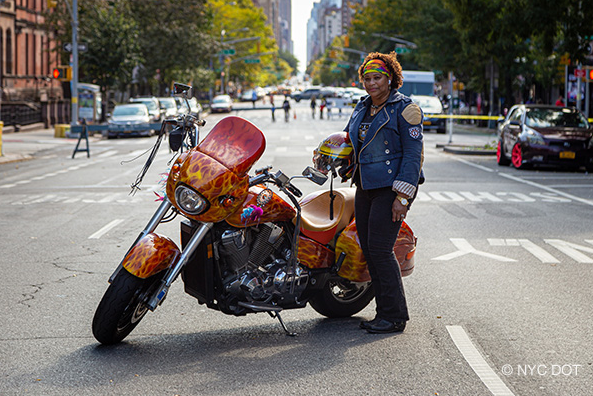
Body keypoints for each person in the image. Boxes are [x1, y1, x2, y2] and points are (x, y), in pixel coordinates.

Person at [343, 52, 424, 334]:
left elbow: (414, 156)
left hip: (392, 189)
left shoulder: (406, 109)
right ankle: (383, 313)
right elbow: (350, 142)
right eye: (366, 78)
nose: (371, 84)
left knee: (380, 249)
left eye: (377, 78)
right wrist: (332, 158)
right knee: (370, 250)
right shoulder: (362, 107)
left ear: (390, 79)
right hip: (365, 186)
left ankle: (394, 316)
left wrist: (403, 198)